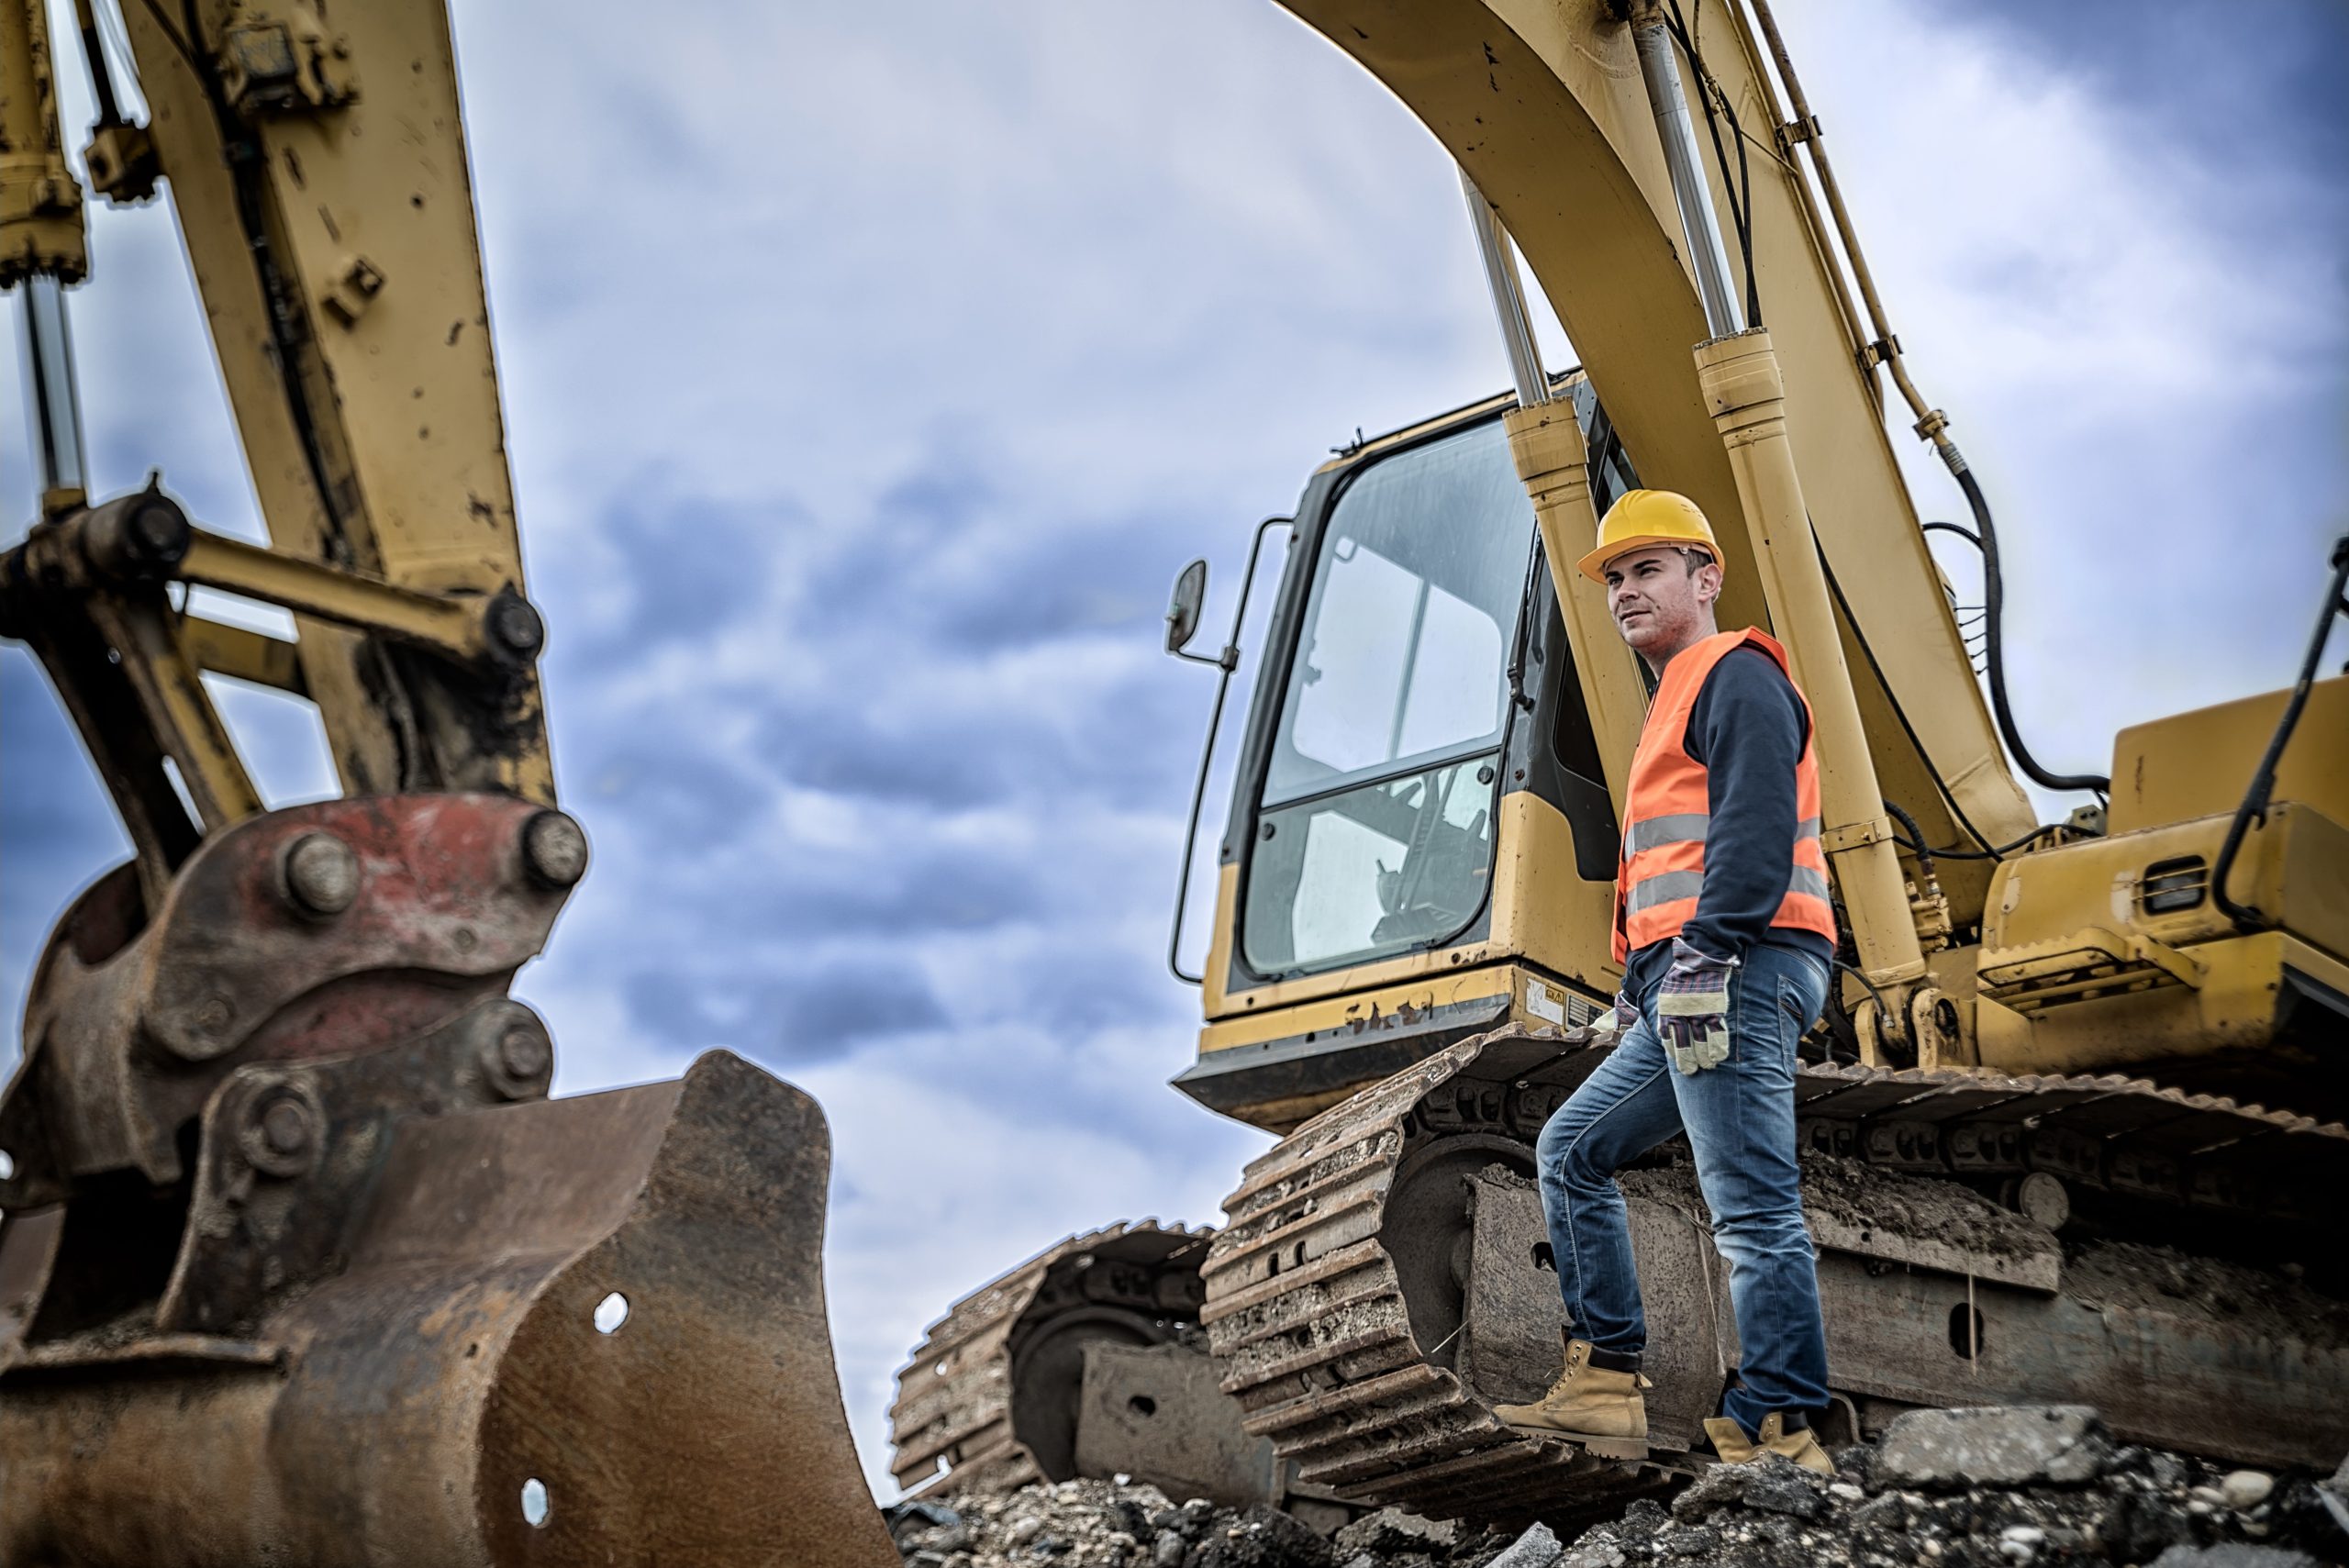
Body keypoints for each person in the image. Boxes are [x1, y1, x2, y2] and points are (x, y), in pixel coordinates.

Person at [1491, 488, 1838, 1474]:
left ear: (1705, 575)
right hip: (1685, 977)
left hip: (1737, 962)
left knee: (1752, 1206)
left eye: (1647, 569)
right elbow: (1661, 861)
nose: (1624, 590)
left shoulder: (1735, 674)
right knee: (1570, 1148)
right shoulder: (1672, 695)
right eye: (1612, 576)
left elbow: (1755, 829)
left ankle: (1778, 1426)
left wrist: (1708, 950)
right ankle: (1604, 1382)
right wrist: (1639, 980)